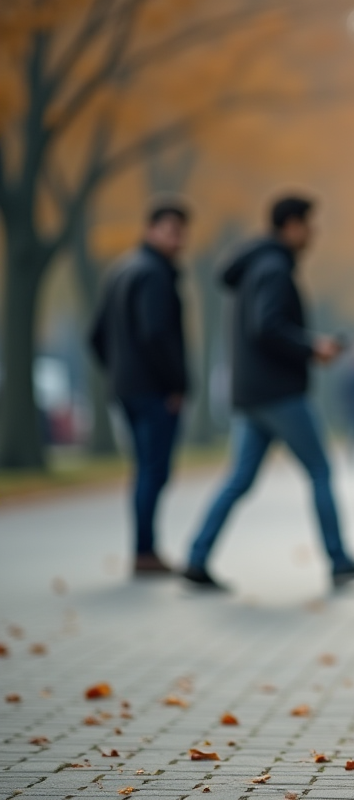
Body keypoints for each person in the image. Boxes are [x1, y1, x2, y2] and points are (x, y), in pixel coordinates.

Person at [182, 195, 354, 590]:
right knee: (320, 470)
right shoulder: (274, 269)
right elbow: (267, 326)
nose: (313, 234)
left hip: (250, 394)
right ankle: (339, 560)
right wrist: (312, 347)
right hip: (278, 393)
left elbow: (262, 326)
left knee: (239, 479)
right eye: (309, 224)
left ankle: (197, 557)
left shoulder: (255, 268)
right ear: (291, 225)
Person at [89, 201, 191, 577]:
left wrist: (117, 371)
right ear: (151, 230)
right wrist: (176, 384)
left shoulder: (120, 270)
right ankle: (145, 551)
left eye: (182, 232)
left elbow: (95, 335)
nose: (178, 240)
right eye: (171, 231)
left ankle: (144, 548)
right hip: (154, 391)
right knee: (154, 470)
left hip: (127, 388)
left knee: (144, 469)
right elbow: (155, 333)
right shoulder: (154, 274)